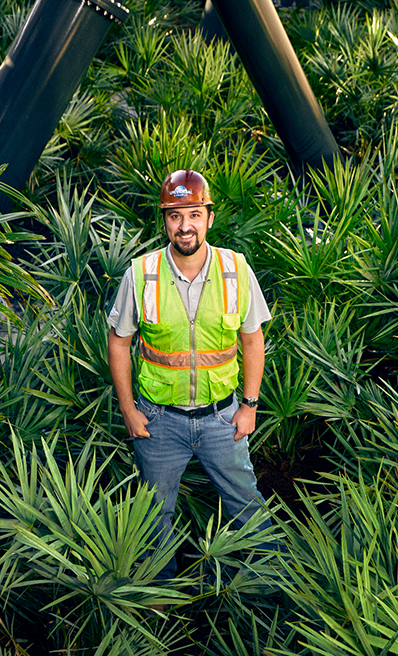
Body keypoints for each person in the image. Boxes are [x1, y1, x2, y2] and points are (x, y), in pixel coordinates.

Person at [107, 168, 274, 581]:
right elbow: (118, 342)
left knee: (248, 508)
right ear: (164, 220)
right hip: (159, 422)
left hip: (223, 420)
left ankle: (274, 587)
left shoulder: (236, 269)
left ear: (209, 218)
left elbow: (253, 340)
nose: (185, 226)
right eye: (175, 216)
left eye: (194, 215)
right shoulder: (141, 273)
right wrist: (128, 410)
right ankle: (163, 602)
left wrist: (249, 405)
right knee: (154, 518)